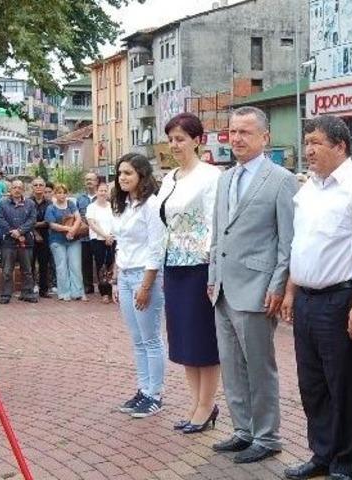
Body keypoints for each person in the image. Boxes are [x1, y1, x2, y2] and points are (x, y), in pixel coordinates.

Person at [281, 115, 352, 480]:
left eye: (316, 142)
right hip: (308, 299)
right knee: (312, 385)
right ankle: (321, 454)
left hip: (342, 301)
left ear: (340, 146)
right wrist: (292, 291)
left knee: (344, 387)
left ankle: (345, 463)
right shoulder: (309, 188)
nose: (308, 150)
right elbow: (302, 245)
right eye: (306, 141)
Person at [208, 106, 297, 464]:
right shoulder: (225, 178)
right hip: (224, 289)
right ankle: (243, 430)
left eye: (246, 132)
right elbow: (218, 233)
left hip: (259, 287)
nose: (237, 139)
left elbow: (287, 240)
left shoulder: (281, 179)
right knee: (231, 365)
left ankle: (267, 436)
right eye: (233, 132)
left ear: (265, 137)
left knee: (259, 367)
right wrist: (212, 277)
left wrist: (278, 285)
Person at [158, 113, 222, 433]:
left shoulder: (212, 176)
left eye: (181, 138)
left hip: (200, 266)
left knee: (203, 341)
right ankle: (196, 403)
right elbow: (161, 224)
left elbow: (215, 224)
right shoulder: (170, 178)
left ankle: (206, 406)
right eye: (171, 139)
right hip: (174, 266)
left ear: (198, 140)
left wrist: (213, 272)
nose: (175, 145)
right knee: (182, 340)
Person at [111, 153, 166, 418]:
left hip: (146, 276)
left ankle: (155, 394)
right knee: (137, 340)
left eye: (128, 173)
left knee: (151, 338)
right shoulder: (123, 206)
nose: (122, 178)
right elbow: (121, 244)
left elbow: (156, 249)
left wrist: (145, 286)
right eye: (120, 173)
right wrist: (115, 279)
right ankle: (143, 390)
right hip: (125, 274)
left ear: (142, 176)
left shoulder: (152, 206)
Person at [0, 179, 37, 304]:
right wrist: (12, 231)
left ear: (23, 190)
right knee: (7, 270)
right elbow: (0, 220)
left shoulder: (30, 204)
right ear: (10, 190)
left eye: (20, 187)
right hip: (8, 241)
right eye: (14, 187)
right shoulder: (2, 204)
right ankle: (6, 294)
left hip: (26, 241)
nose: (17, 190)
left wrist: (20, 231)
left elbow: (32, 219)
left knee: (27, 270)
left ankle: (27, 293)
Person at [45, 183, 86, 301]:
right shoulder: (51, 208)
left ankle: (77, 292)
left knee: (76, 266)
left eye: (64, 192)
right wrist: (68, 229)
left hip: (73, 239)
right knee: (61, 266)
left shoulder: (71, 204)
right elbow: (52, 225)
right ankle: (64, 293)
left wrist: (73, 230)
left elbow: (78, 218)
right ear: (55, 194)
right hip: (57, 240)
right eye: (59, 192)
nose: (62, 195)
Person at [86, 182, 116, 303]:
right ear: (96, 192)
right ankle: (104, 292)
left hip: (113, 239)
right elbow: (92, 224)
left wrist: (110, 236)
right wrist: (104, 236)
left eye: (105, 190)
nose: (103, 193)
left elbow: (117, 222)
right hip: (98, 239)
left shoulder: (112, 206)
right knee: (101, 265)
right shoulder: (91, 207)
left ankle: (112, 291)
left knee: (111, 264)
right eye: (101, 190)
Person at [77, 172, 99, 295]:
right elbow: (76, 216)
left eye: (91, 179)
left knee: (101, 261)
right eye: (87, 180)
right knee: (85, 262)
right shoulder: (79, 198)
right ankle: (88, 285)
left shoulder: (103, 196)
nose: (89, 182)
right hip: (85, 236)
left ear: (96, 182)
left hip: (99, 235)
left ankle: (103, 285)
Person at [30, 177, 52, 298]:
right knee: (30, 264)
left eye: (41, 185)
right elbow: (25, 220)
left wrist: (35, 223)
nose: (38, 187)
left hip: (46, 236)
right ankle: (29, 288)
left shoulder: (49, 203)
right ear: (32, 187)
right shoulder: (27, 202)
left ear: (44, 187)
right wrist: (34, 229)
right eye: (36, 185)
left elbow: (50, 220)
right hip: (29, 235)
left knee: (44, 263)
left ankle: (43, 290)